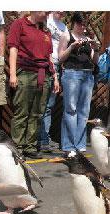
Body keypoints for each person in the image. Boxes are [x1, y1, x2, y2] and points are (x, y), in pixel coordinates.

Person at [8, 11, 60, 159]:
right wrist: (12, 74)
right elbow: (13, 49)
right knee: (22, 111)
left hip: (44, 75)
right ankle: (17, 147)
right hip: (25, 72)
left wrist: (55, 77)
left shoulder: (46, 30)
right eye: (46, 11)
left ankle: (30, 147)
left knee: (37, 113)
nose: (47, 15)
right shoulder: (19, 24)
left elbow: (49, 56)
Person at [58, 12, 99, 154]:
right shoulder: (66, 35)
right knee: (71, 109)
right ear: (73, 23)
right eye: (80, 24)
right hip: (71, 74)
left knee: (84, 111)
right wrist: (71, 47)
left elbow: (95, 60)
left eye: (84, 24)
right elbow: (60, 57)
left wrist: (96, 48)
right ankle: (68, 146)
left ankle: (79, 144)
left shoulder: (87, 38)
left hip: (87, 74)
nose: (83, 27)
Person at [38, 11, 67, 153]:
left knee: (49, 105)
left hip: (57, 65)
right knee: (39, 103)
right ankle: (37, 139)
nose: (62, 11)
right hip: (43, 63)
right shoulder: (45, 20)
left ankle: (44, 139)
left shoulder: (64, 26)